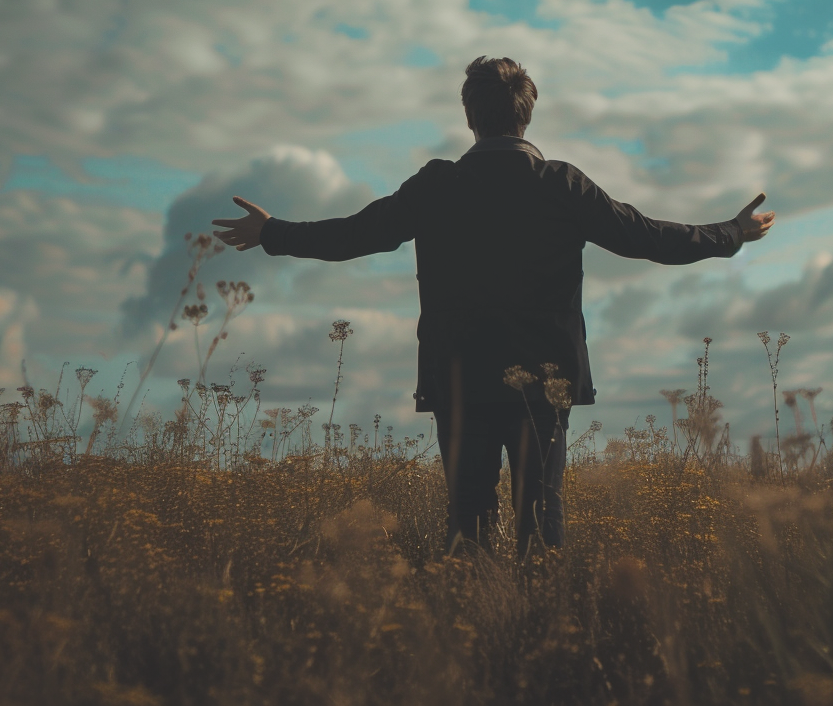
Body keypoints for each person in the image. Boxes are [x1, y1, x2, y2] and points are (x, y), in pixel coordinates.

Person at [211, 56, 774, 558]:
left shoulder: (438, 186)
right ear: (527, 114)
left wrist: (273, 233)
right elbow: (650, 238)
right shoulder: (562, 185)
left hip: (460, 378)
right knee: (542, 525)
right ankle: (541, 644)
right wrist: (732, 232)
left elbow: (358, 234)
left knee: (467, 529)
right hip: (545, 383)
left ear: (470, 116)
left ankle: (472, 642)